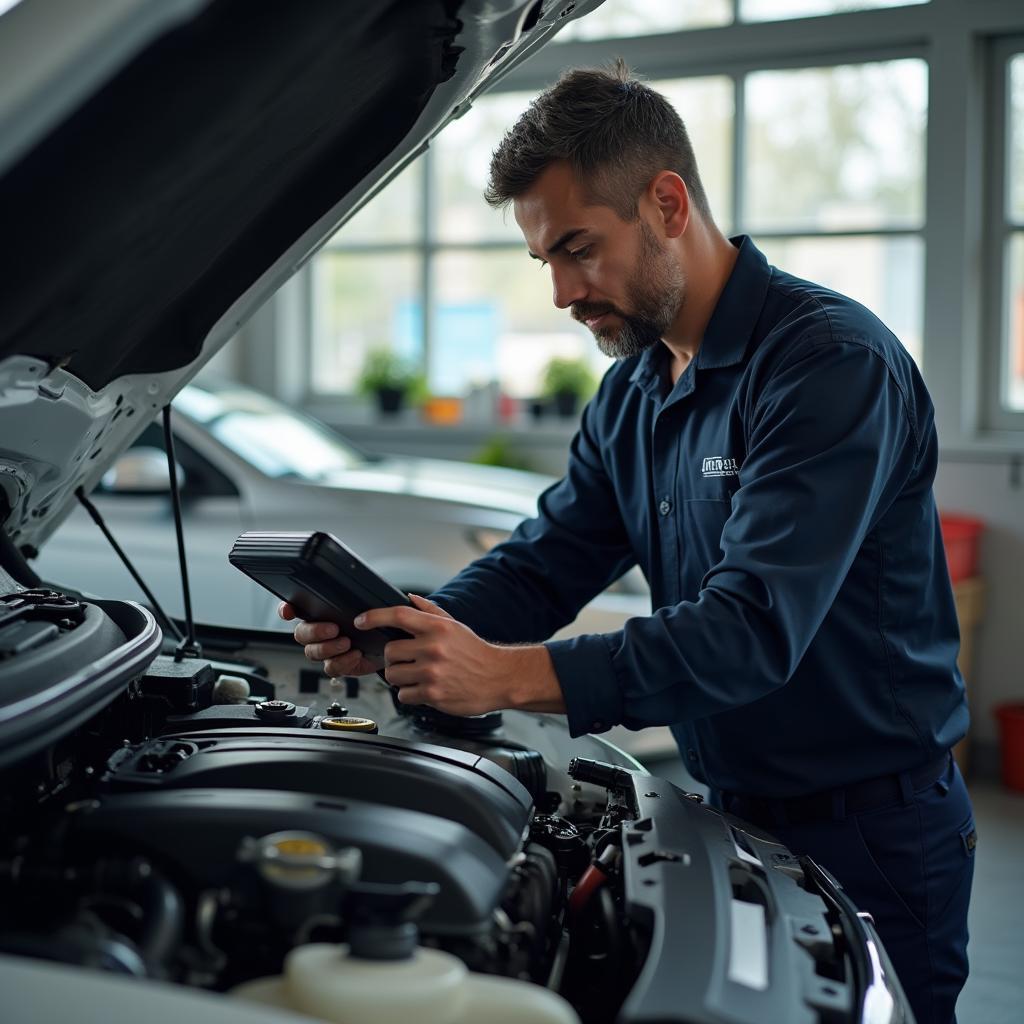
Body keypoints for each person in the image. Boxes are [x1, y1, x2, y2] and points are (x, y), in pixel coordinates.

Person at [283, 62, 974, 1024]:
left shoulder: (828, 366)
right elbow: (545, 561)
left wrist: (507, 676)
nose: (564, 292)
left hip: (874, 832)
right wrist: (407, 625)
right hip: (723, 813)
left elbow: (750, 631)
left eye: (580, 249)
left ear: (666, 201)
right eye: (545, 264)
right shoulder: (636, 389)